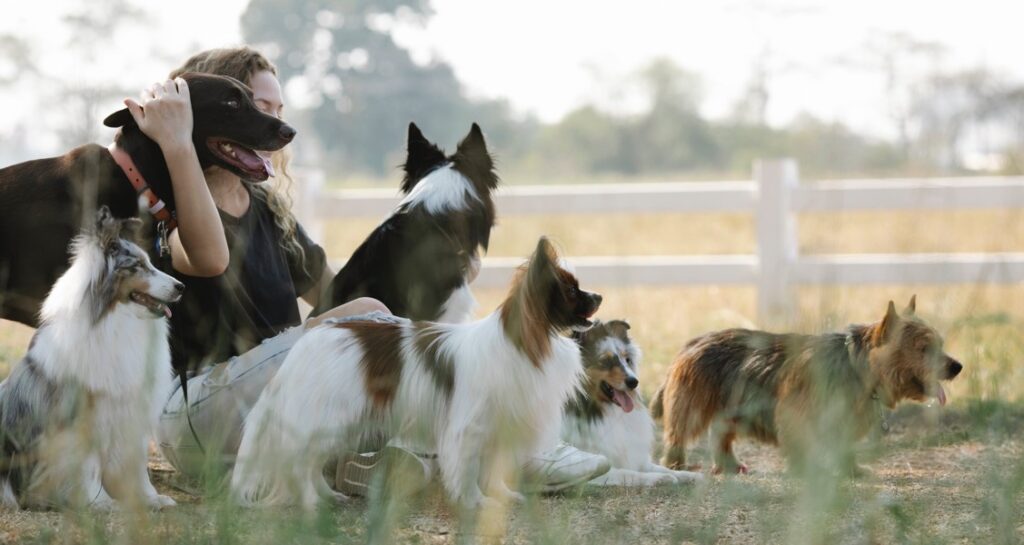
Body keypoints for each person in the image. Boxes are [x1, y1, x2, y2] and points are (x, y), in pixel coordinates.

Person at [131, 46, 609, 496]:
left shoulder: (267, 211)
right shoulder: (169, 207)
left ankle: (440, 454)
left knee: (377, 329)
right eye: (260, 107)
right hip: (197, 416)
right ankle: (497, 454)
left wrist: (440, 266)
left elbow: (340, 292)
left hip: (276, 404)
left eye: (278, 110)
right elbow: (211, 258)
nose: (276, 124)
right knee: (367, 319)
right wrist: (178, 146)